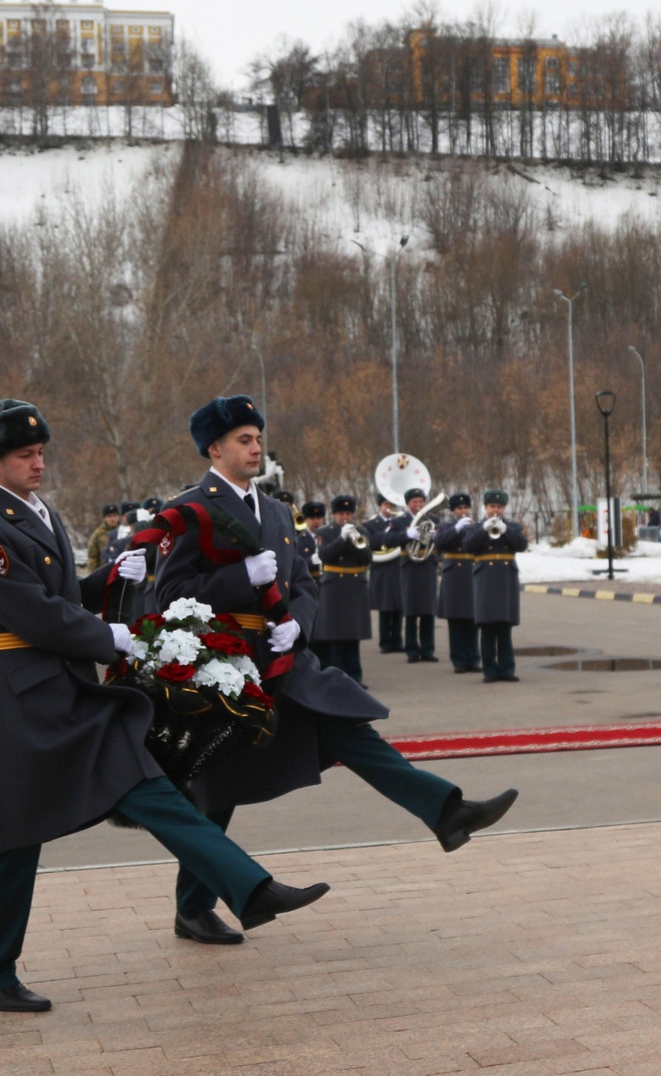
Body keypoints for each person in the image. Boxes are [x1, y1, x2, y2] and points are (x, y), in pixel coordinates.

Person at [0, 397, 330, 1013]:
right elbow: (34, 614)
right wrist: (113, 635)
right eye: (26, 455)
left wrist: (104, 579)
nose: (38, 462)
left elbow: (57, 594)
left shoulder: (30, 512)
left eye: (41, 451)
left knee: (147, 785)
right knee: (15, 839)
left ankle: (249, 889)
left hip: (62, 689)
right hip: (23, 697)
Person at [148, 395, 518, 946]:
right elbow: (169, 595)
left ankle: (446, 811)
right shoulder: (191, 509)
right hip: (225, 664)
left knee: (348, 729)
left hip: (284, 656)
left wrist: (297, 621)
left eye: (257, 438)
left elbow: (303, 581)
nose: (255, 448)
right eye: (244, 440)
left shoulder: (274, 511)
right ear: (214, 448)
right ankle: (194, 906)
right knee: (217, 784)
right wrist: (237, 579)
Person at [310, 493, 371, 681]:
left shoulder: (361, 531)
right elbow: (325, 555)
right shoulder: (325, 532)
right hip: (334, 585)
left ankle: (355, 677)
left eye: (348, 513)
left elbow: (367, 558)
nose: (344, 517)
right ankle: (337, 678)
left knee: (353, 635)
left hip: (355, 585)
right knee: (335, 635)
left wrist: (353, 540)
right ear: (334, 514)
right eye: (341, 513)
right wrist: (342, 539)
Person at [470, 489, 527, 683]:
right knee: (487, 628)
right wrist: (484, 529)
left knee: (504, 627)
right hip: (485, 578)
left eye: (500, 507)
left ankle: (507, 670)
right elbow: (469, 545)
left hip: (505, 579)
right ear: (485, 507)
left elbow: (521, 544)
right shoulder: (476, 526)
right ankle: (490, 671)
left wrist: (506, 530)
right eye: (492, 506)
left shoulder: (513, 526)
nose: (496, 510)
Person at [395, 487, 440, 663]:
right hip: (410, 568)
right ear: (408, 504)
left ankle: (428, 650)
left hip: (428, 567)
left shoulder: (433, 520)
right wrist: (406, 534)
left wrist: (436, 537)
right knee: (412, 611)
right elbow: (385, 541)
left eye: (421, 502)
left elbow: (442, 543)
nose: (419, 505)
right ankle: (412, 650)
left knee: (428, 611)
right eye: (415, 502)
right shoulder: (400, 522)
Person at [435, 492, 479, 673]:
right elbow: (439, 543)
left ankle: (473, 659)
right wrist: (456, 529)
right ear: (453, 511)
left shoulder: (475, 526)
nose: (463, 511)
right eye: (459, 508)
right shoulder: (445, 527)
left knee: (472, 619)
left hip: (471, 572)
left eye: (465, 508)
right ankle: (459, 660)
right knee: (456, 621)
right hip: (453, 574)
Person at [368, 494, 407, 658]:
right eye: (385, 504)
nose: (388, 507)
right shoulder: (371, 524)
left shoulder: (399, 523)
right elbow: (373, 541)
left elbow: (403, 540)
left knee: (399, 605)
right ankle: (385, 642)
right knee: (385, 607)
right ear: (380, 506)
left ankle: (397, 641)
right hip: (382, 568)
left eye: (391, 504)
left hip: (397, 566)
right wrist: (389, 534)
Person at [85, 502, 122, 572]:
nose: (112, 519)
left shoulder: (123, 531)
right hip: (105, 570)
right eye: (109, 516)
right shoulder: (98, 534)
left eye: (114, 516)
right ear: (104, 518)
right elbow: (92, 556)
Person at [292, 500, 327, 571]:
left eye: (319, 518)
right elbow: (296, 566)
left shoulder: (329, 536)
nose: (316, 521)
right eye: (312, 518)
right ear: (305, 520)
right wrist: (311, 561)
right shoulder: (298, 540)